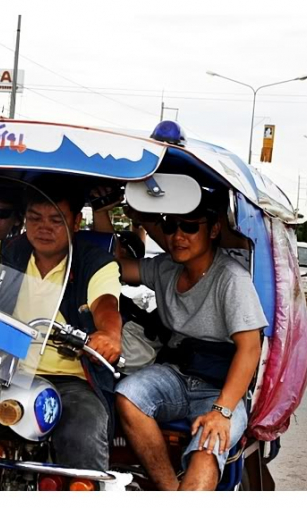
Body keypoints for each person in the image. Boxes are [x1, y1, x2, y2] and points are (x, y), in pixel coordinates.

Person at [0, 180, 124, 472]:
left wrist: (109, 334)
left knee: (82, 429)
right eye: (35, 218)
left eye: (56, 220)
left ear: (76, 222)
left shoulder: (95, 261)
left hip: (71, 381)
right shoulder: (3, 253)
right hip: (5, 373)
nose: (44, 227)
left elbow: (105, 304)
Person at [110, 193, 267, 490]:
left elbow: (250, 349)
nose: (178, 236)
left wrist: (222, 412)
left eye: (190, 227)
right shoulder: (166, 268)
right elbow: (115, 269)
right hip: (174, 375)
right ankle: (170, 491)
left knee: (209, 446)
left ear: (213, 230)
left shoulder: (231, 279)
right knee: (127, 395)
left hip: (220, 388)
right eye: (170, 226)